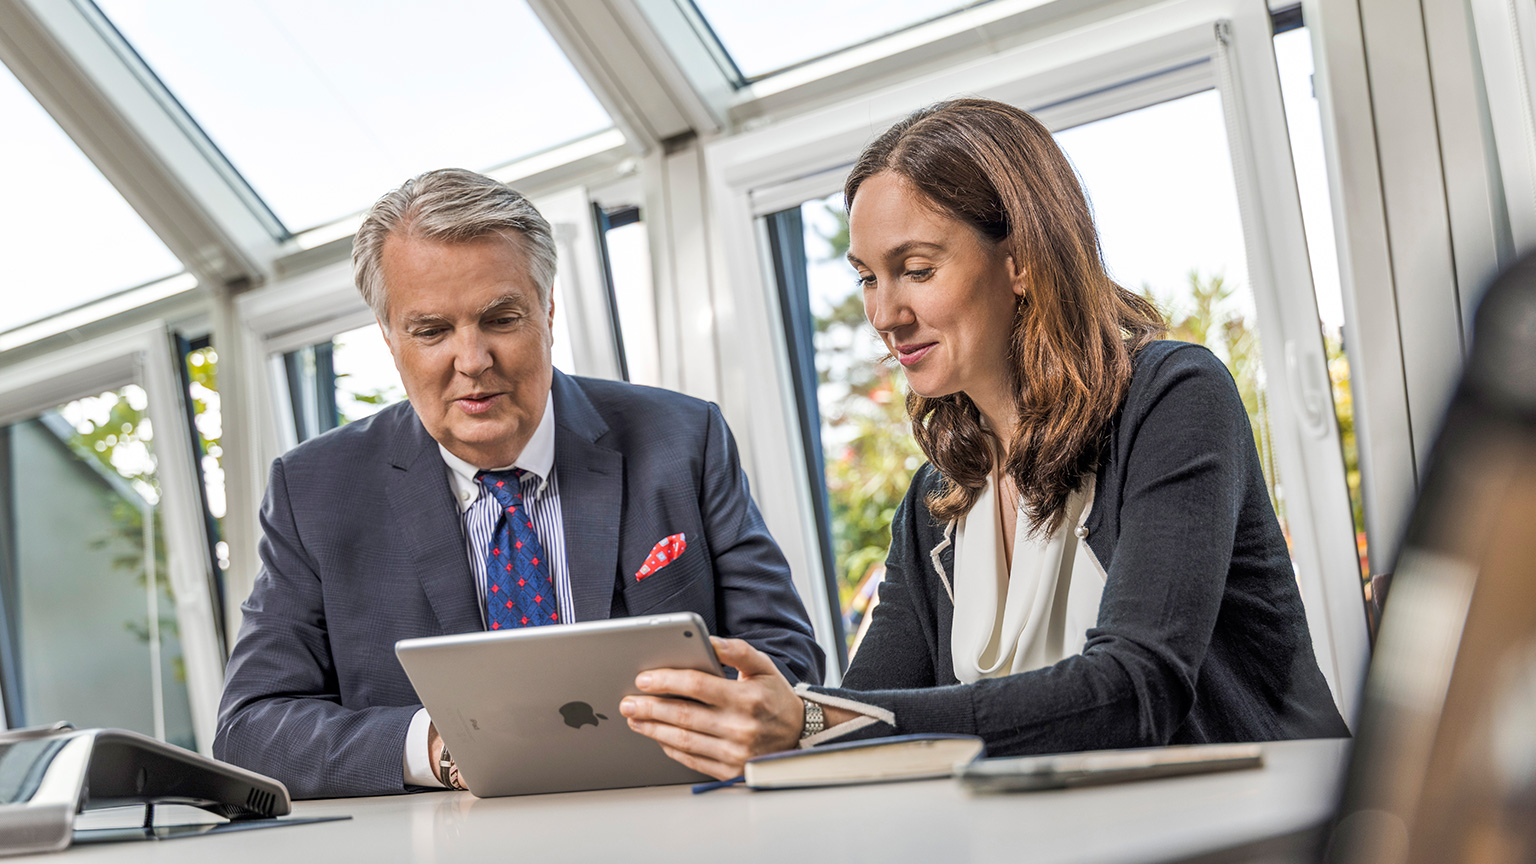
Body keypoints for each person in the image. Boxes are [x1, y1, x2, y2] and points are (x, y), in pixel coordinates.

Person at [620, 98, 1350, 780]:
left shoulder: (1173, 398)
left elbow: (1136, 689)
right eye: (868, 278)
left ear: (1022, 259)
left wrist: (814, 718)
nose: (884, 312)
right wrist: (762, 721)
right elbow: (867, 707)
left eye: (915, 269)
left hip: (1272, 827)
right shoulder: (938, 498)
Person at [214, 168, 824, 798]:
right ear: (391, 340)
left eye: (500, 319)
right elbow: (252, 728)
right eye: (432, 331)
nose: (473, 360)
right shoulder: (314, 491)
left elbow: (784, 657)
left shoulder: (681, 438)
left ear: (548, 312)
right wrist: (442, 747)